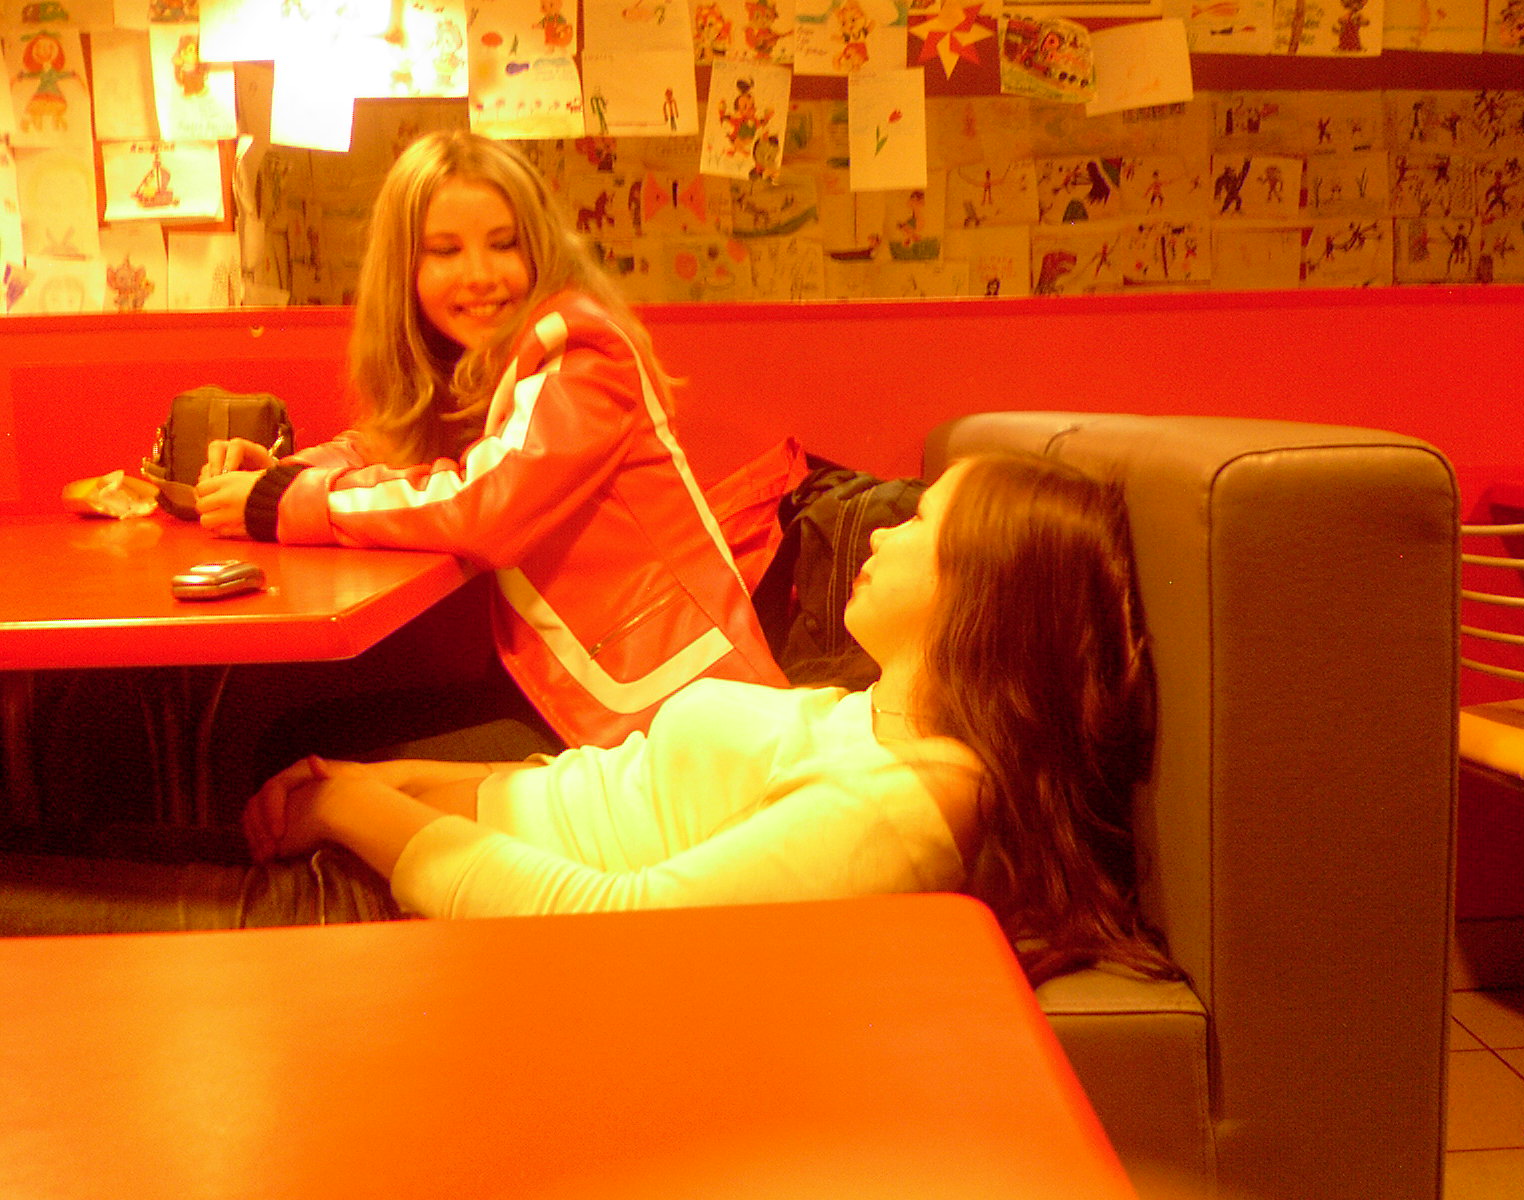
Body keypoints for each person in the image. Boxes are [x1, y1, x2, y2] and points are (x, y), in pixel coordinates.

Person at [228, 451, 1179, 984]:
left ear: (986, 592)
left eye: (922, 522)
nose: (885, 531)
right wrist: (394, 784)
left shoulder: (909, 801)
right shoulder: (876, 719)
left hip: (437, 922)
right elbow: (605, 793)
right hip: (423, 869)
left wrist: (356, 809)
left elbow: (622, 932)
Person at [193, 131, 789, 754]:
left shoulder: (583, 355)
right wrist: (282, 473)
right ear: (404, 269)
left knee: (300, 753)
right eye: (445, 251)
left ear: (540, 248)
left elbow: (486, 505)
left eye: (504, 244)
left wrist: (286, 503)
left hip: (679, 726)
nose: (479, 275)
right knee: (296, 738)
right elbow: (401, 448)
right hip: (577, 698)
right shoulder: (490, 359)